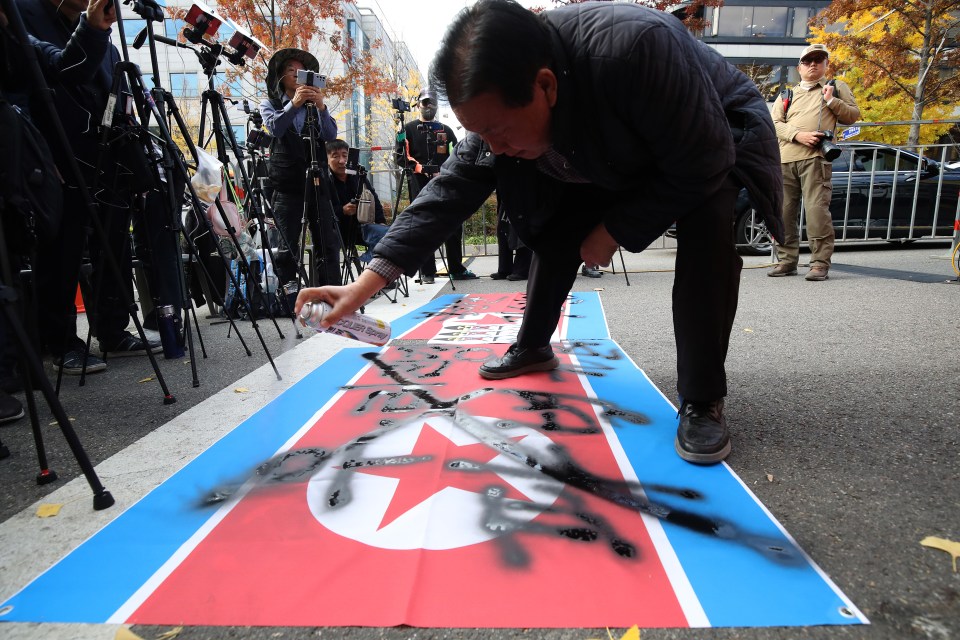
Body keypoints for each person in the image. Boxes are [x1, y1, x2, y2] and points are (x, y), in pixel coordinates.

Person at [296, 0, 784, 465]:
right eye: (479, 132)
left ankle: (702, 399)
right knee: (553, 222)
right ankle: (533, 345)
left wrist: (613, 229)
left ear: (545, 86)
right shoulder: (506, 99)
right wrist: (363, 288)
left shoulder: (637, 48)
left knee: (707, 236)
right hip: (609, 147)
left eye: (500, 130)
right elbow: (446, 194)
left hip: (715, 134)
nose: (494, 147)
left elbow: (704, 159)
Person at [17, 0, 163, 374]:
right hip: (57, 158)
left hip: (108, 160)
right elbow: (36, 81)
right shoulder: (24, 14)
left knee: (114, 245)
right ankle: (60, 341)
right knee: (61, 253)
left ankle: (113, 329)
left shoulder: (108, 41)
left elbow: (118, 97)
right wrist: (35, 154)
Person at [769, 44, 860, 281]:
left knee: (816, 212)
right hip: (785, 160)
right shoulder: (787, 94)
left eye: (818, 61)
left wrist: (831, 102)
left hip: (816, 160)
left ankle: (819, 263)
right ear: (799, 67)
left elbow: (852, 116)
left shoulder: (836, 87)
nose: (813, 65)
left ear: (826, 65)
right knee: (784, 213)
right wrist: (798, 135)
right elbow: (774, 124)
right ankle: (787, 261)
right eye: (808, 61)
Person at [259, 48, 341, 291]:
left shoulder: (314, 107)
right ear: (280, 77)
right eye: (290, 71)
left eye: (301, 71)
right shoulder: (270, 104)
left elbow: (330, 135)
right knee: (287, 243)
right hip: (286, 183)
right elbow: (275, 128)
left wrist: (322, 107)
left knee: (327, 241)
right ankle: (289, 297)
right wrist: (293, 105)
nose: (297, 75)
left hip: (317, 182)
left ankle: (331, 293)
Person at [401, 88, 476, 283]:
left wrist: (444, 170)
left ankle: (456, 269)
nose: (429, 106)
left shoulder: (446, 130)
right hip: (418, 183)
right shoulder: (406, 129)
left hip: (444, 180)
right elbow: (400, 156)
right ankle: (427, 272)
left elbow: (458, 154)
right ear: (418, 104)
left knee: (452, 223)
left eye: (432, 103)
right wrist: (420, 168)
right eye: (425, 102)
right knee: (422, 225)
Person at [325, 139, 389, 266]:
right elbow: (320, 210)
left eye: (345, 155)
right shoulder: (324, 179)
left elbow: (373, 199)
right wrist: (342, 210)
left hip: (361, 228)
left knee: (387, 235)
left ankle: (380, 276)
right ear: (326, 159)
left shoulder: (358, 176)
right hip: (337, 230)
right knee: (329, 242)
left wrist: (381, 221)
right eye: (335, 156)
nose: (342, 161)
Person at [491, 201, 530, 281]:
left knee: (521, 230)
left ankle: (522, 270)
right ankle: (504, 269)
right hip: (506, 195)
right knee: (503, 229)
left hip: (522, 195)